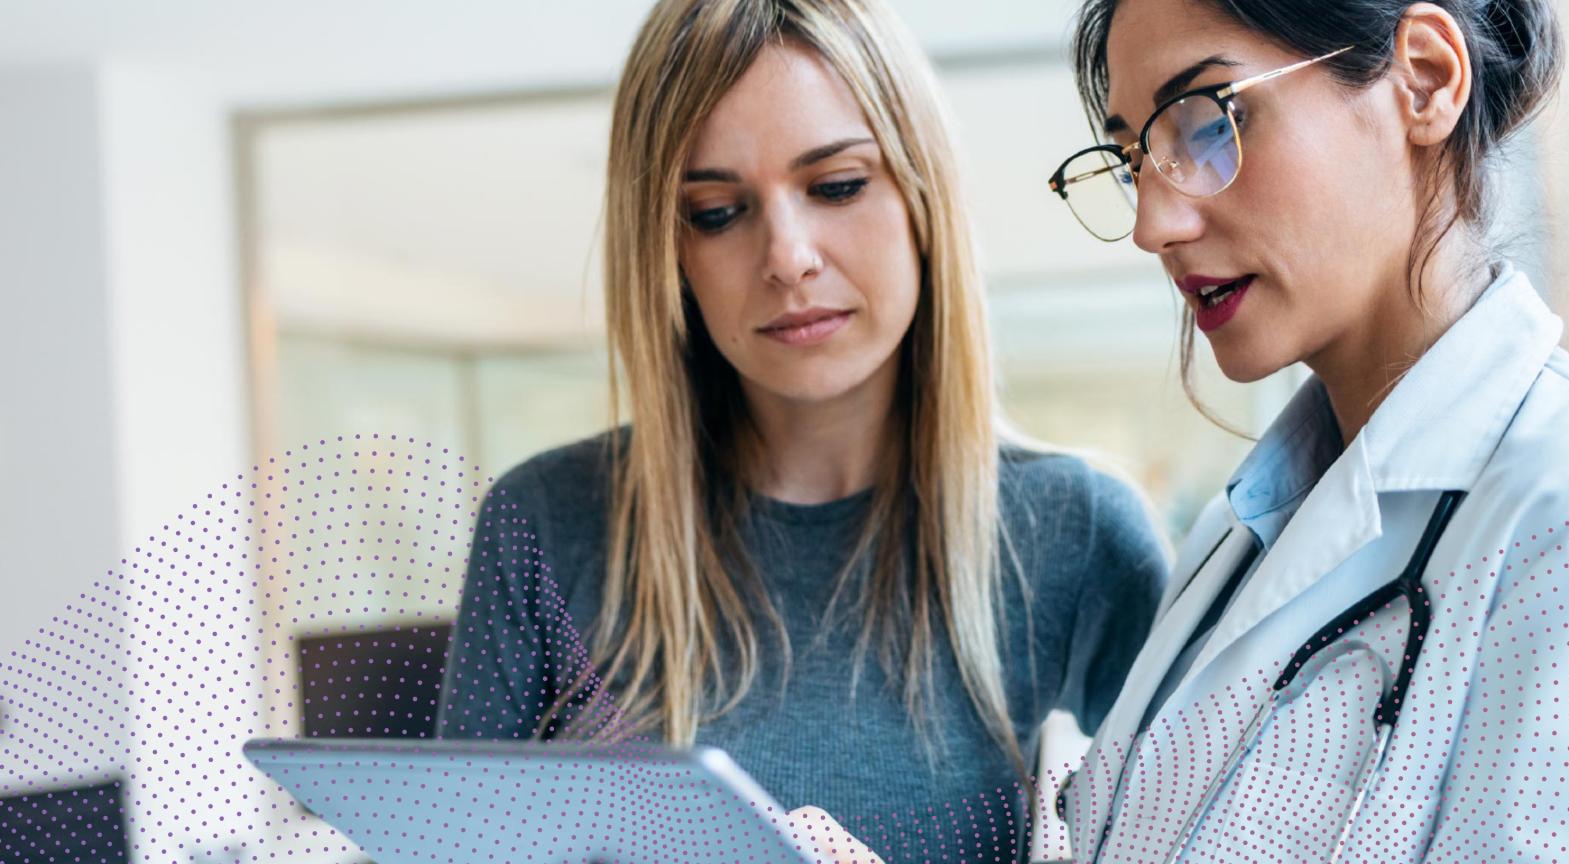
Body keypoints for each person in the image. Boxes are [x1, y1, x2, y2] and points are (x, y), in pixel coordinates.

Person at [796, 0, 1569, 861]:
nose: (1154, 221)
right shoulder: (1243, 539)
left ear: (1422, 79)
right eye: (1132, 154)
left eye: (1206, 121)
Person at [433, 1, 1169, 861]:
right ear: (669, 252)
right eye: (715, 211)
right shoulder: (547, 524)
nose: (787, 257)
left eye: (837, 186)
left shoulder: (1074, 531)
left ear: (921, 196)